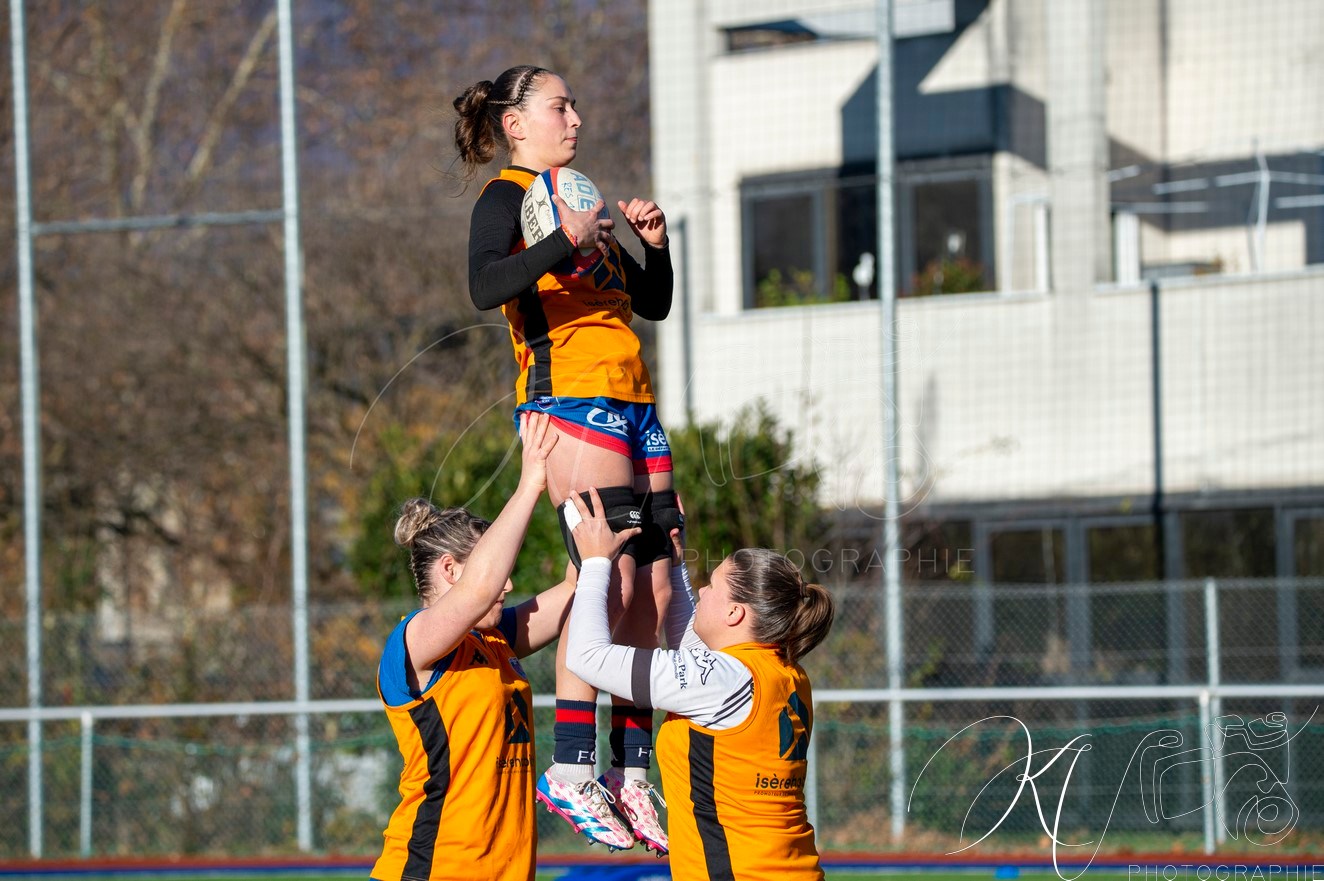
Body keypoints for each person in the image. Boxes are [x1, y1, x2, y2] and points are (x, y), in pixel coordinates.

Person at [451, 64, 679, 853]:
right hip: (570, 402)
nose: (575, 118)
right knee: (603, 575)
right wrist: (561, 240)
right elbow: (485, 285)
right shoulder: (508, 195)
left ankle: (630, 770)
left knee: (655, 586)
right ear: (516, 124)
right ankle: (573, 767)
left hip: (633, 399)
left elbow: (649, 303)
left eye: (576, 105)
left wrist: (654, 248)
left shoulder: (577, 194)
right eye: (560, 107)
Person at [371, 413, 636, 881]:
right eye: (498, 573)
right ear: (450, 570)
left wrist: (582, 493)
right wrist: (529, 482)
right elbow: (478, 591)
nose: (508, 585)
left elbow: (578, 590)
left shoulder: (495, 639)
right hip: (434, 871)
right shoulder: (414, 643)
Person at [562, 488, 836, 881]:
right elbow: (695, 647)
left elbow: (586, 657)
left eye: (712, 585)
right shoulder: (784, 671)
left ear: (735, 612)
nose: (702, 590)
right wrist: (674, 565)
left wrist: (594, 562)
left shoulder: (725, 679)